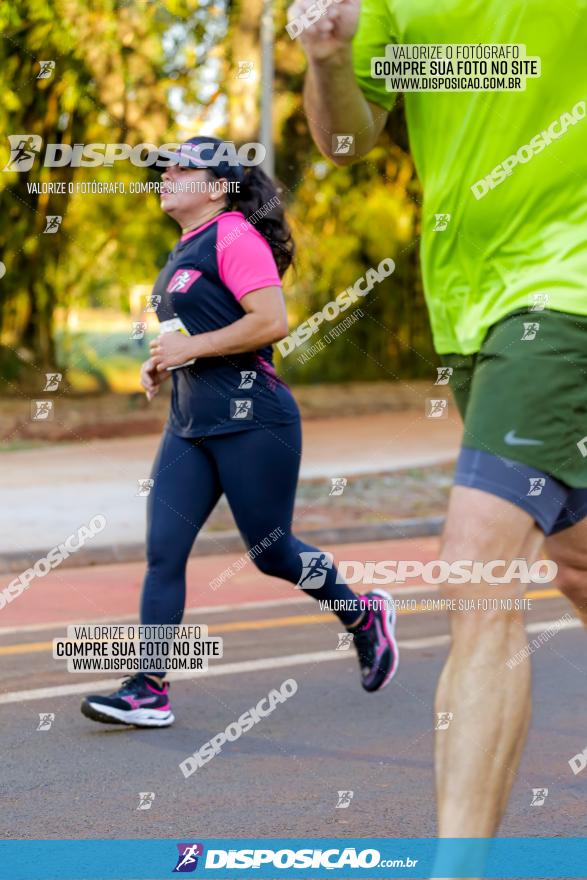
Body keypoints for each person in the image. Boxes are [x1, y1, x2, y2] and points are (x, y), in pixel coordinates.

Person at [289, 0, 587, 843]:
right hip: (465, 308)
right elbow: (347, 141)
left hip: (564, 291)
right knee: (576, 565)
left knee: (478, 569)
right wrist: (328, 58)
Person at [81, 136, 399, 728]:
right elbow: (195, 331)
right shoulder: (184, 248)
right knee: (163, 554)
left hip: (253, 420)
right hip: (190, 425)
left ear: (219, 185)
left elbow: (271, 321)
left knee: (271, 552)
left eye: (182, 168)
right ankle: (148, 689)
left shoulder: (233, 235)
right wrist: (162, 360)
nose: (168, 175)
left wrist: (190, 348)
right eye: (166, 167)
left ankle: (362, 616)